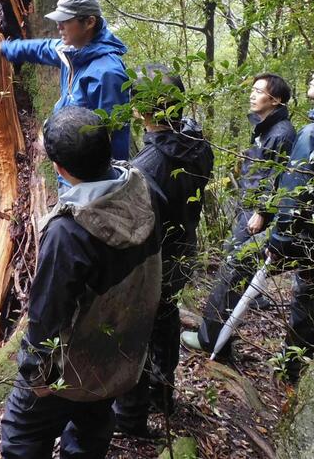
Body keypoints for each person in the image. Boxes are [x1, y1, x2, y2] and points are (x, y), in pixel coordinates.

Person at [182, 52, 314, 381]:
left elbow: (292, 195)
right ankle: (294, 371)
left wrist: (279, 240)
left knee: (266, 280)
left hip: (305, 233)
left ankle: (236, 351)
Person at [0, 106, 161, 458]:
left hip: (69, 369)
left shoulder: (69, 233)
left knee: (21, 435)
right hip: (118, 357)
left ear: (60, 169)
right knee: (91, 429)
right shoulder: (140, 190)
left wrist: (36, 374)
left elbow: (47, 315)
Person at [113, 64, 214, 436]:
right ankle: (163, 389)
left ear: (138, 109)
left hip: (156, 260)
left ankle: (132, 415)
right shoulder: (199, 145)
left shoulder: (146, 167)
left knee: (138, 327)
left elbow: (139, 226)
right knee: (166, 315)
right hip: (184, 248)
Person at [0, 0, 133, 161]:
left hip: (89, 177)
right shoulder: (73, 50)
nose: (59, 27)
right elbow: (40, 48)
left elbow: (114, 138)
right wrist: (1, 48)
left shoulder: (107, 74)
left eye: (65, 21)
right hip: (68, 168)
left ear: (90, 22)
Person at [226, 73, 297, 251]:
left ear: (275, 100)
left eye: (258, 91)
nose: (252, 95)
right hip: (249, 205)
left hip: (259, 212)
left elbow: (278, 176)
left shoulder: (281, 134)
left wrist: (261, 213)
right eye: (252, 90)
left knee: (235, 259)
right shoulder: (265, 129)